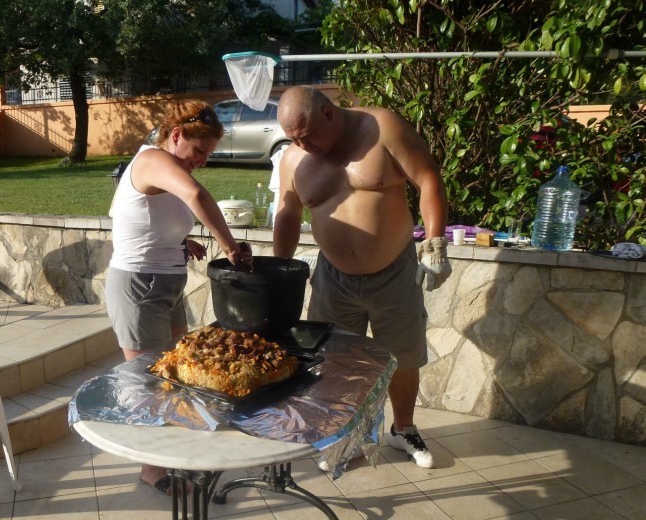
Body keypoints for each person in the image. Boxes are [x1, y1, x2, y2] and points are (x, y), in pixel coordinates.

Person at [273, 86, 451, 469]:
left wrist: (435, 243)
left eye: (307, 134)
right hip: (333, 277)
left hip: (394, 271)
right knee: (336, 361)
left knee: (403, 356)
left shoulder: (382, 129)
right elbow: (287, 215)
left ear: (328, 113)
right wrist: (279, 269)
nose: (302, 144)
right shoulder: (293, 159)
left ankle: (403, 429)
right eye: (294, 138)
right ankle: (347, 434)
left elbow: (429, 180)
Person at [106, 99, 252, 495]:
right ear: (176, 135)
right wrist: (231, 247)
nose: (202, 160)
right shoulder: (153, 159)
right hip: (138, 288)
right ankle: (152, 470)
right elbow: (197, 196)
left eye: (208, 154)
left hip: (166, 285)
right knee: (150, 383)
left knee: (178, 376)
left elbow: (141, 215)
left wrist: (182, 239)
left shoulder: (164, 166)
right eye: (199, 151)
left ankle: (176, 456)